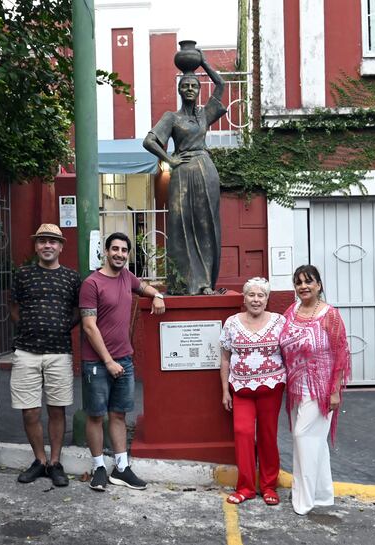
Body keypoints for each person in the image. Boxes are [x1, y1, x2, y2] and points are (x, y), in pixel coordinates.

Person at [80, 232, 166, 491]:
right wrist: (107, 361)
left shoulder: (127, 278)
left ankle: (121, 467)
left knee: (118, 414)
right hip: (97, 362)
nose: (119, 254)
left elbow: (144, 287)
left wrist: (157, 296)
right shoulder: (91, 283)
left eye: (124, 250)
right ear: (105, 252)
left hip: (124, 360)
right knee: (96, 416)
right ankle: (98, 468)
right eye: (114, 249)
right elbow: (88, 326)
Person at [142, 49, 226, 295]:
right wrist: (170, 159)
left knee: (206, 224)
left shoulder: (204, 115)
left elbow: (220, 84)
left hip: (206, 170)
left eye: (194, 86)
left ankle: (205, 283)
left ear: (199, 90)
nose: (190, 89)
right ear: (179, 90)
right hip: (182, 172)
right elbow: (149, 141)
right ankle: (182, 283)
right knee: (180, 225)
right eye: (185, 86)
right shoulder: (171, 117)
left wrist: (204, 62)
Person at [10, 224, 81, 487]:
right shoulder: (23, 274)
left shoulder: (72, 278)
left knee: (57, 409)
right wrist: (29, 327)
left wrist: (61, 326)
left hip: (59, 352)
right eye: (42, 241)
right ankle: (39, 461)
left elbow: (77, 311)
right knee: (29, 411)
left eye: (53, 241)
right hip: (26, 351)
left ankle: (55, 462)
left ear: (61, 246)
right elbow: (13, 307)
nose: (47, 246)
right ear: (36, 246)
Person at [279, 265, 351, 516]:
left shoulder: (329, 315)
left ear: (319, 285)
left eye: (308, 282)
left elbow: (341, 353)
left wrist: (335, 392)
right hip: (298, 387)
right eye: (298, 282)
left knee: (303, 437)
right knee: (314, 443)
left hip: (321, 389)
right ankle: (321, 494)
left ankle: (304, 498)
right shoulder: (292, 310)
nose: (303, 286)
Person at [220, 277, 286, 506]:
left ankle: (269, 486)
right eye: (252, 295)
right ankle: (246, 487)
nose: (256, 300)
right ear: (244, 298)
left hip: (272, 387)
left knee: (268, 436)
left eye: (261, 295)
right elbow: (225, 358)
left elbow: (290, 353)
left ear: (267, 299)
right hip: (240, 389)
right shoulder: (231, 323)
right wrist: (225, 392)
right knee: (243, 434)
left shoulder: (279, 321)